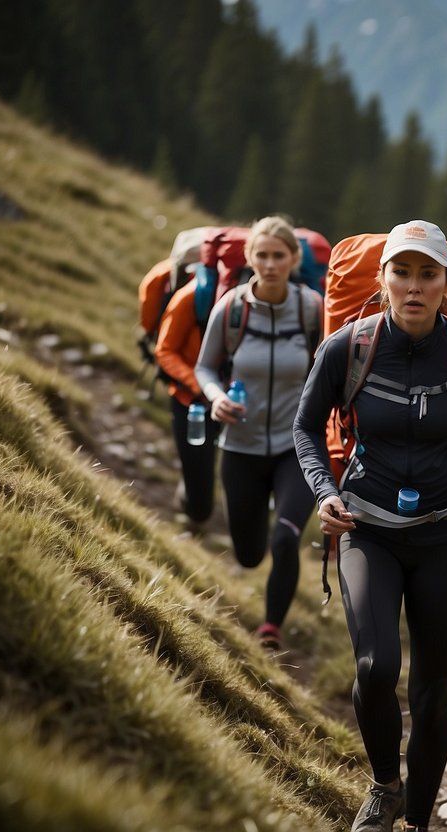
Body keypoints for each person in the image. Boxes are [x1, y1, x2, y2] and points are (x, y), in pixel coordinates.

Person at [292, 219, 447, 832]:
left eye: (427, 274)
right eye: (402, 272)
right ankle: (385, 785)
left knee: (432, 691)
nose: (413, 286)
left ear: (446, 283)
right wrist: (324, 490)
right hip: (369, 528)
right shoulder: (348, 347)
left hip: (446, 535)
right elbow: (306, 429)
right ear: (382, 278)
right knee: (375, 666)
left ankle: (418, 820)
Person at [194, 216, 322, 652]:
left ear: (293, 259)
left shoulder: (312, 310)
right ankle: (259, 541)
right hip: (241, 447)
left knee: (286, 536)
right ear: (250, 259)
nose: (270, 264)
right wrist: (214, 396)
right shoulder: (230, 309)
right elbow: (205, 366)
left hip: (298, 448)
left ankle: (271, 629)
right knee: (249, 554)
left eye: (278, 256)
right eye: (262, 255)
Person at [153, 266, 221, 536]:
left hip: (239, 404)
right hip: (192, 402)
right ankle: (192, 508)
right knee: (200, 500)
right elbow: (165, 350)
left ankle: (195, 506)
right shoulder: (192, 296)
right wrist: (201, 386)